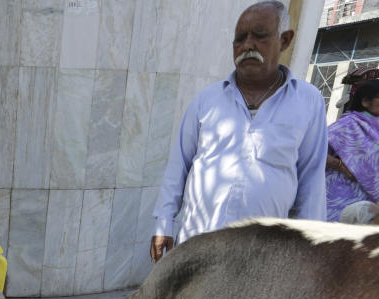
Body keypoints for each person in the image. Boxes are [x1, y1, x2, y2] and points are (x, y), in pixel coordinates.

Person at [149, 0, 327, 264]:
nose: (247, 46)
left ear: (285, 40)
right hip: (198, 242)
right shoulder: (206, 100)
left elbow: (312, 178)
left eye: (260, 36)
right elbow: (179, 165)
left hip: (262, 251)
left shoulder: (308, 101)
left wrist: (311, 246)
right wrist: (163, 222)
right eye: (240, 39)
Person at [324, 78, 379, 224]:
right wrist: (340, 165)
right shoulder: (347, 124)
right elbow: (311, 152)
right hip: (339, 199)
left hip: (368, 204)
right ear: (365, 102)